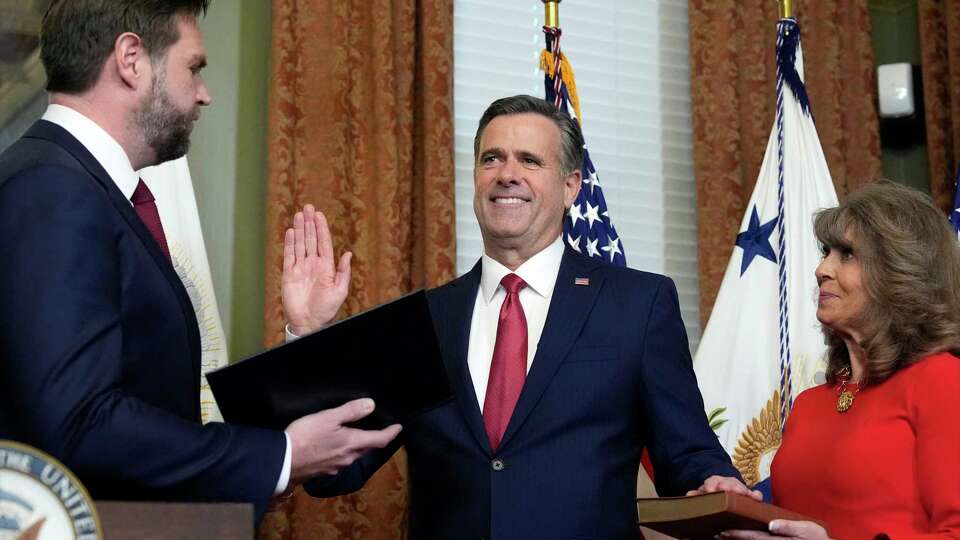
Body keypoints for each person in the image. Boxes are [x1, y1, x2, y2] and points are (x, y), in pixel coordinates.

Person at [0, 0, 399, 521]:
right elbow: (80, 421)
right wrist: (280, 456)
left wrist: (303, 339)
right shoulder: (56, 189)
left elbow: (136, 398)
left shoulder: (73, 184)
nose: (204, 94)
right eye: (193, 68)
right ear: (131, 59)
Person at [303, 95, 755, 539]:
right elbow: (332, 472)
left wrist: (715, 482)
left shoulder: (637, 303)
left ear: (571, 186)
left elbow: (687, 452)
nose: (507, 175)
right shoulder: (425, 320)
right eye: (492, 159)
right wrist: (308, 336)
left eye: (530, 161)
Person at [720, 181, 960, 539]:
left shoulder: (941, 380)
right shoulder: (808, 404)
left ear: (899, 273)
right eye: (826, 251)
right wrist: (734, 504)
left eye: (846, 254)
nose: (822, 269)